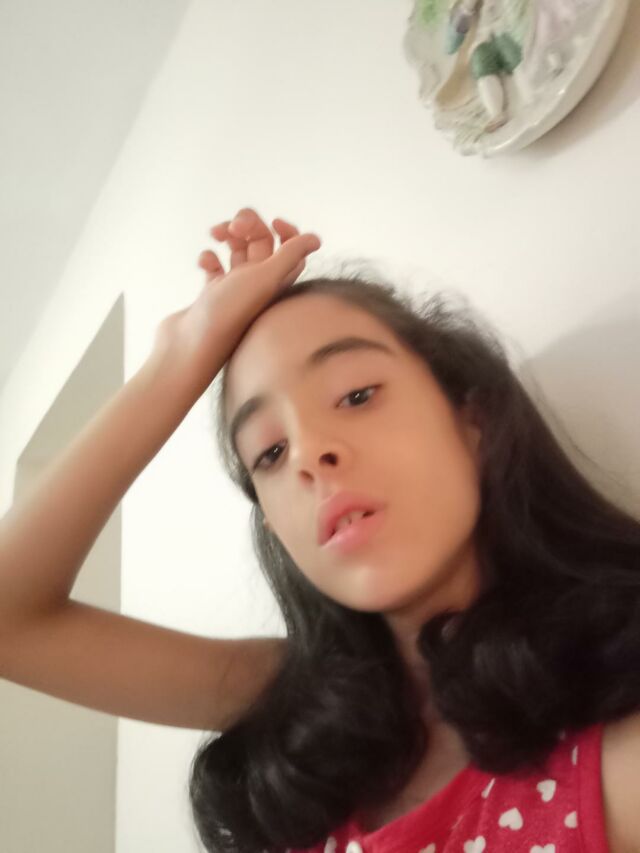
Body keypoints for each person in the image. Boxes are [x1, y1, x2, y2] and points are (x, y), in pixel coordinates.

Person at [1, 208, 639, 853]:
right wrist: (178, 356)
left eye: (357, 395)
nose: (308, 455)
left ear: (472, 421)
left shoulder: (618, 743)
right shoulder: (293, 704)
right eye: (269, 453)